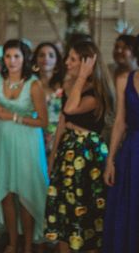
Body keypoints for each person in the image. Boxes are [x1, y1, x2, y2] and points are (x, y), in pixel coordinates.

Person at [45, 41, 111, 251]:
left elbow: (71, 109)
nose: (67, 62)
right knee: (65, 209)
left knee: (86, 212)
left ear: (87, 63)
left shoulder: (95, 93)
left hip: (87, 156)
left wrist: (82, 77)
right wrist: (53, 156)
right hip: (68, 150)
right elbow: (63, 122)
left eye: (73, 59)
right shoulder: (71, 86)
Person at [0, 39, 49, 253]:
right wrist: (1, 114)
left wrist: (12, 116)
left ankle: (28, 245)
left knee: (25, 192)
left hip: (28, 141)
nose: (12, 61)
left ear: (24, 58)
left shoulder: (33, 84)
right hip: (4, 139)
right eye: (8, 56)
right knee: (7, 192)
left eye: (16, 56)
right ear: (3, 59)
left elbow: (43, 121)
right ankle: (12, 243)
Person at [103, 36, 139, 252]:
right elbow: (119, 123)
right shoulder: (124, 80)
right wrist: (110, 161)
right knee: (128, 210)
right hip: (132, 153)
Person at [33, 42, 65, 158]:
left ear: (57, 61)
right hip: (34, 137)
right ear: (36, 59)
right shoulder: (30, 84)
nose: (46, 58)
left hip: (59, 137)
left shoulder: (64, 85)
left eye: (51, 55)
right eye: (41, 55)